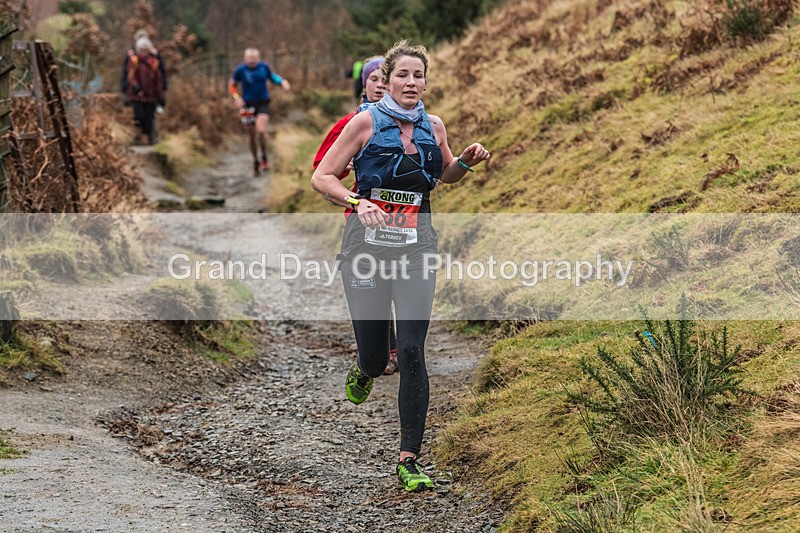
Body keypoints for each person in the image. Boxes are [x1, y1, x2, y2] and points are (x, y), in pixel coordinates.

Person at [311, 40, 490, 492]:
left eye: (419, 76)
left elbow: (444, 175)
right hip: (366, 247)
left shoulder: (434, 125)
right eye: (403, 75)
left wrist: (464, 163)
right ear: (386, 80)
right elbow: (322, 177)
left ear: (426, 80)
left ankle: (410, 458)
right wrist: (357, 201)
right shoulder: (364, 122)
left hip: (416, 247)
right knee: (376, 360)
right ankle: (364, 367)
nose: (412, 83)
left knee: (411, 350)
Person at [313, 56, 400, 376]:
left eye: (384, 79)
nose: (380, 85)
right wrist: (349, 183)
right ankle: (378, 355)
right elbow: (320, 167)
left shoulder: (406, 122)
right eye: (373, 79)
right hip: (361, 218)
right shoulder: (352, 123)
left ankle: (397, 350)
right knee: (374, 285)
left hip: (401, 219)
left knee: (397, 283)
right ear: (363, 83)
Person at [229, 48, 291, 176]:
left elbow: (273, 77)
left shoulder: (264, 67)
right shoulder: (241, 70)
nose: (251, 63)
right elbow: (231, 85)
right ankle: (255, 161)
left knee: (261, 130)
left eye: (254, 60)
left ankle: (264, 158)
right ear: (245, 59)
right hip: (247, 105)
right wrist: (237, 97)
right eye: (249, 61)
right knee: (251, 136)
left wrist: (283, 82)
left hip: (263, 103)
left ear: (258, 59)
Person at [126, 37, 164, 145]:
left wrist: (160, 95)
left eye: (145, 50)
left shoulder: (154, 63)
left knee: (149, 118)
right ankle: (138, 135)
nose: (143, 52)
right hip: (136, 95)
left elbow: (158, 80)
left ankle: (146, 138)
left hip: (150, 96)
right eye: (141, 50)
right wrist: (136, 87)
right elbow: (131, 76)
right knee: (139, 116)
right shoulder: (134, 61)